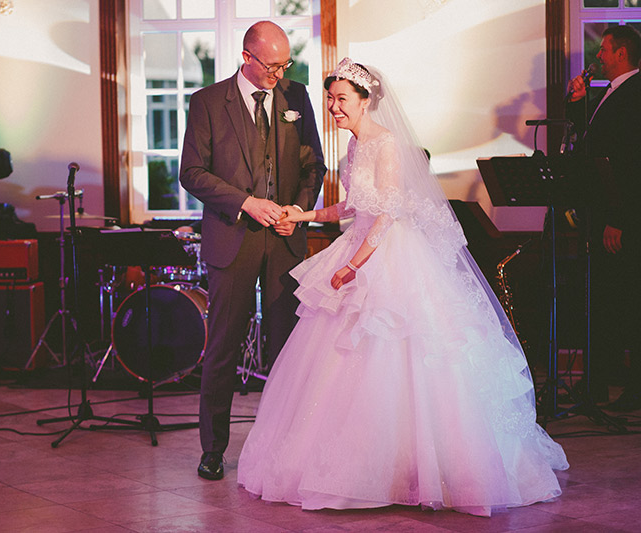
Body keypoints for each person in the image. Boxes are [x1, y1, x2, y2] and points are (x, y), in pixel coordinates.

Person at [237, 59, 568, 516]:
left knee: (407, 356)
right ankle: (372, 469)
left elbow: (387, 214)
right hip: (360, 246)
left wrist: (354, 265)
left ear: (365, 100)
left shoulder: (386, 143)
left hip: (388, 255)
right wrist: (303, 214)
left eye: (342, 99)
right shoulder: (354, 145)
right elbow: (353, 205)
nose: (333, 107)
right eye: (330, 99)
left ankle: (422, 470)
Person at [180, 21, 326, 480]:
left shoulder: (297, 96)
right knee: (223, 348)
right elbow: (192, 173)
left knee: (286, 349)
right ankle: (213, 450)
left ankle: (283, 451)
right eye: (271, 66)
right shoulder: (207, 102)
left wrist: (297, 210)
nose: (279, 75)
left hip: (285, 241)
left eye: (285, 65)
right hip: (233, 238)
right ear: (247, 57)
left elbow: (314, 166)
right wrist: (245, 202)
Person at [565, 25, 641, 411]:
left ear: (622, 54)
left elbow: (630, 163)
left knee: (629, 302)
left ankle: (635, 389)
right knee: (604, 302)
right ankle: (597, 384)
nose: (598, 56)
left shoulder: (635, 94)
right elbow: (592, 145)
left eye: (604, 50)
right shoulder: (609, 93)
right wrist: (578, 105)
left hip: (622, 219)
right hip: (600, 214)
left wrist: (618, 218)